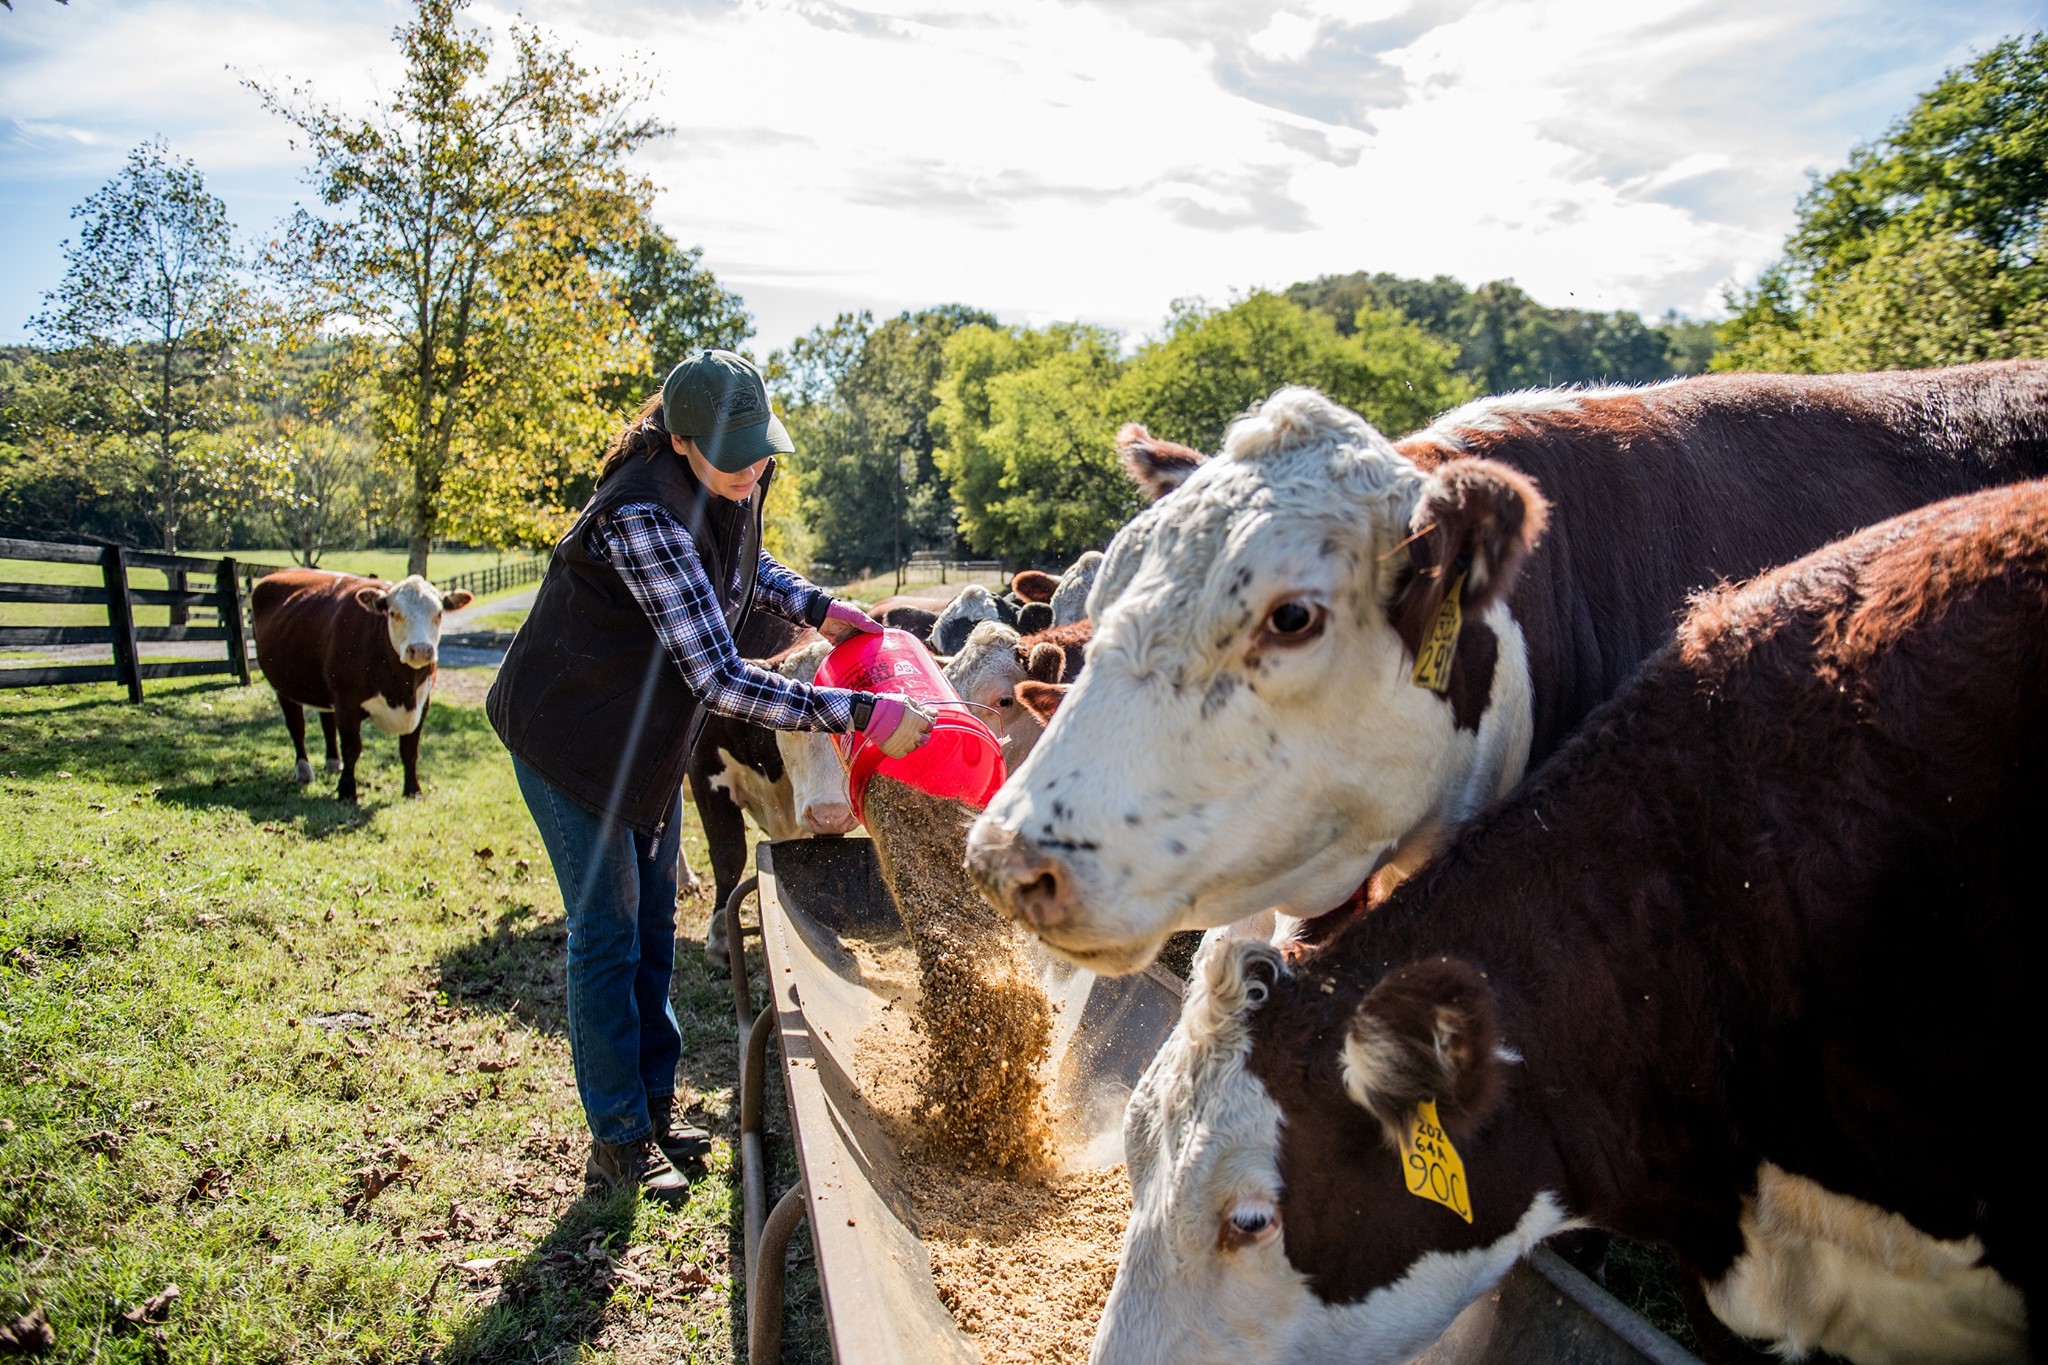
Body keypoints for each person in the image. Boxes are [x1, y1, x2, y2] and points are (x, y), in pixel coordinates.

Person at [486, 349, 933, 1202]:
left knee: (655, 920)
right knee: (607, 931)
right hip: (570, 737)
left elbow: (743, 567)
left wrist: (817, 606)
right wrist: (861, 714)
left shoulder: (731, 477)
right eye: (736, 456)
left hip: (639, 738)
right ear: (681, 441)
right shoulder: (637, 515)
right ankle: (618, 1138)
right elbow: (721, 679)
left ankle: (654, 1108)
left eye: (760, 450)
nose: (753, 469)